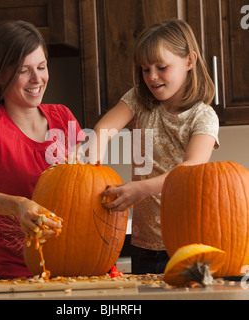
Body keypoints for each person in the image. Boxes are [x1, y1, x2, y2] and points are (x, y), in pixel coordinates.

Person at [0, 20, 85, 279]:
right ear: (0, 74)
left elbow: (82, 189)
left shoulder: (64, 117)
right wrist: (19, 206)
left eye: (41, 67)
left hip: (68, 270)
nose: (37, 78)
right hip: (8, 275)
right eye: (24, 70)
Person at [93, 19, 220, 274]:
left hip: (187, 245)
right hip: (144, 245)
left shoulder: (203, 117)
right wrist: (90, 157)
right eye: (144, 69)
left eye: (161, 67)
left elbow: (191, 168)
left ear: (189, 61)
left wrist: (141, 189)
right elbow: (103, 131)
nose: (152, 76)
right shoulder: (139, 101)